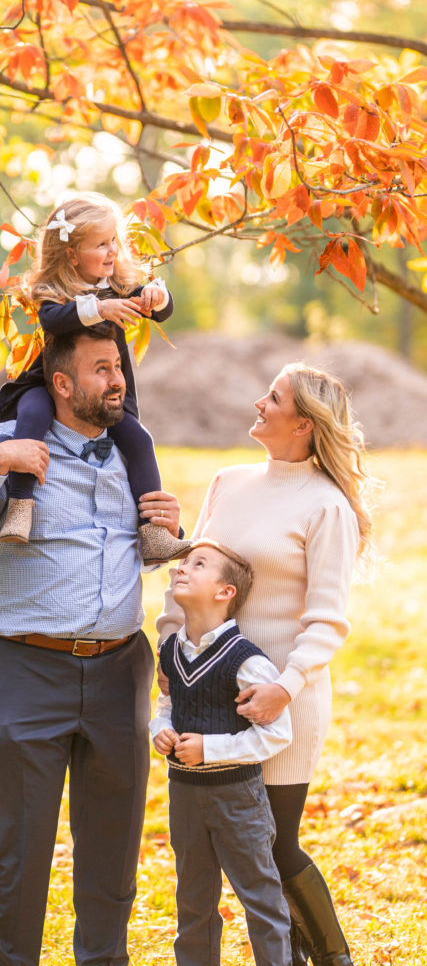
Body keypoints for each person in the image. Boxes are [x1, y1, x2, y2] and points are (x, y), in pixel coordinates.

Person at [0, 323, 184, 966]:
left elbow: (132, 557)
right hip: (23, 671)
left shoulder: (130, 452)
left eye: (118, 365)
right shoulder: (10, 443)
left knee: (113, 854)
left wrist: (173, 528)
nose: (117, 378)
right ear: (62, 383)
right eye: (101, 368)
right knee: (20, 853)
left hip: (119, 671)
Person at [156, 363, 374, 966]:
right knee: (231, 850)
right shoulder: (229, 481)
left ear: (303, 423)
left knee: (273, 846)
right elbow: (194, 569)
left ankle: (330, 957)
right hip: (208, 687)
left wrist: (285, 686)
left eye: (272, 397)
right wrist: (170, 647)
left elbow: (328, 618)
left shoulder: (326, 506)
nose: (258, 401)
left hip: (283, 697)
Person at [0, 191, 191, 564]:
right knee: (31, 418)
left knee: (139, 440)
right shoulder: (54, 293)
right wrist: (99, 308)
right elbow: (54, 320)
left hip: (100, 392)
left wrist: (155, 295)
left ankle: (153, 533)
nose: (112, 250)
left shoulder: (118, 286)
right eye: (101, 244)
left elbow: (162, 312)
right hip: (46, 382)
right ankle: (20, 505)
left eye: (114, 240)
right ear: (71, 254)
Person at [151, 539, 293, 966]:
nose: (182, 569)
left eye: (198, 564)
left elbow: (275, 734)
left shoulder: (246, 660)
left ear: (224, 592)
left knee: (261, 899)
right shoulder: (171, 650)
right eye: (184, 562)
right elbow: (166, 708)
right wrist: (160, 731)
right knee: (192, 900)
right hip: (186, 796)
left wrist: (209, 749)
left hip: (237, 799)